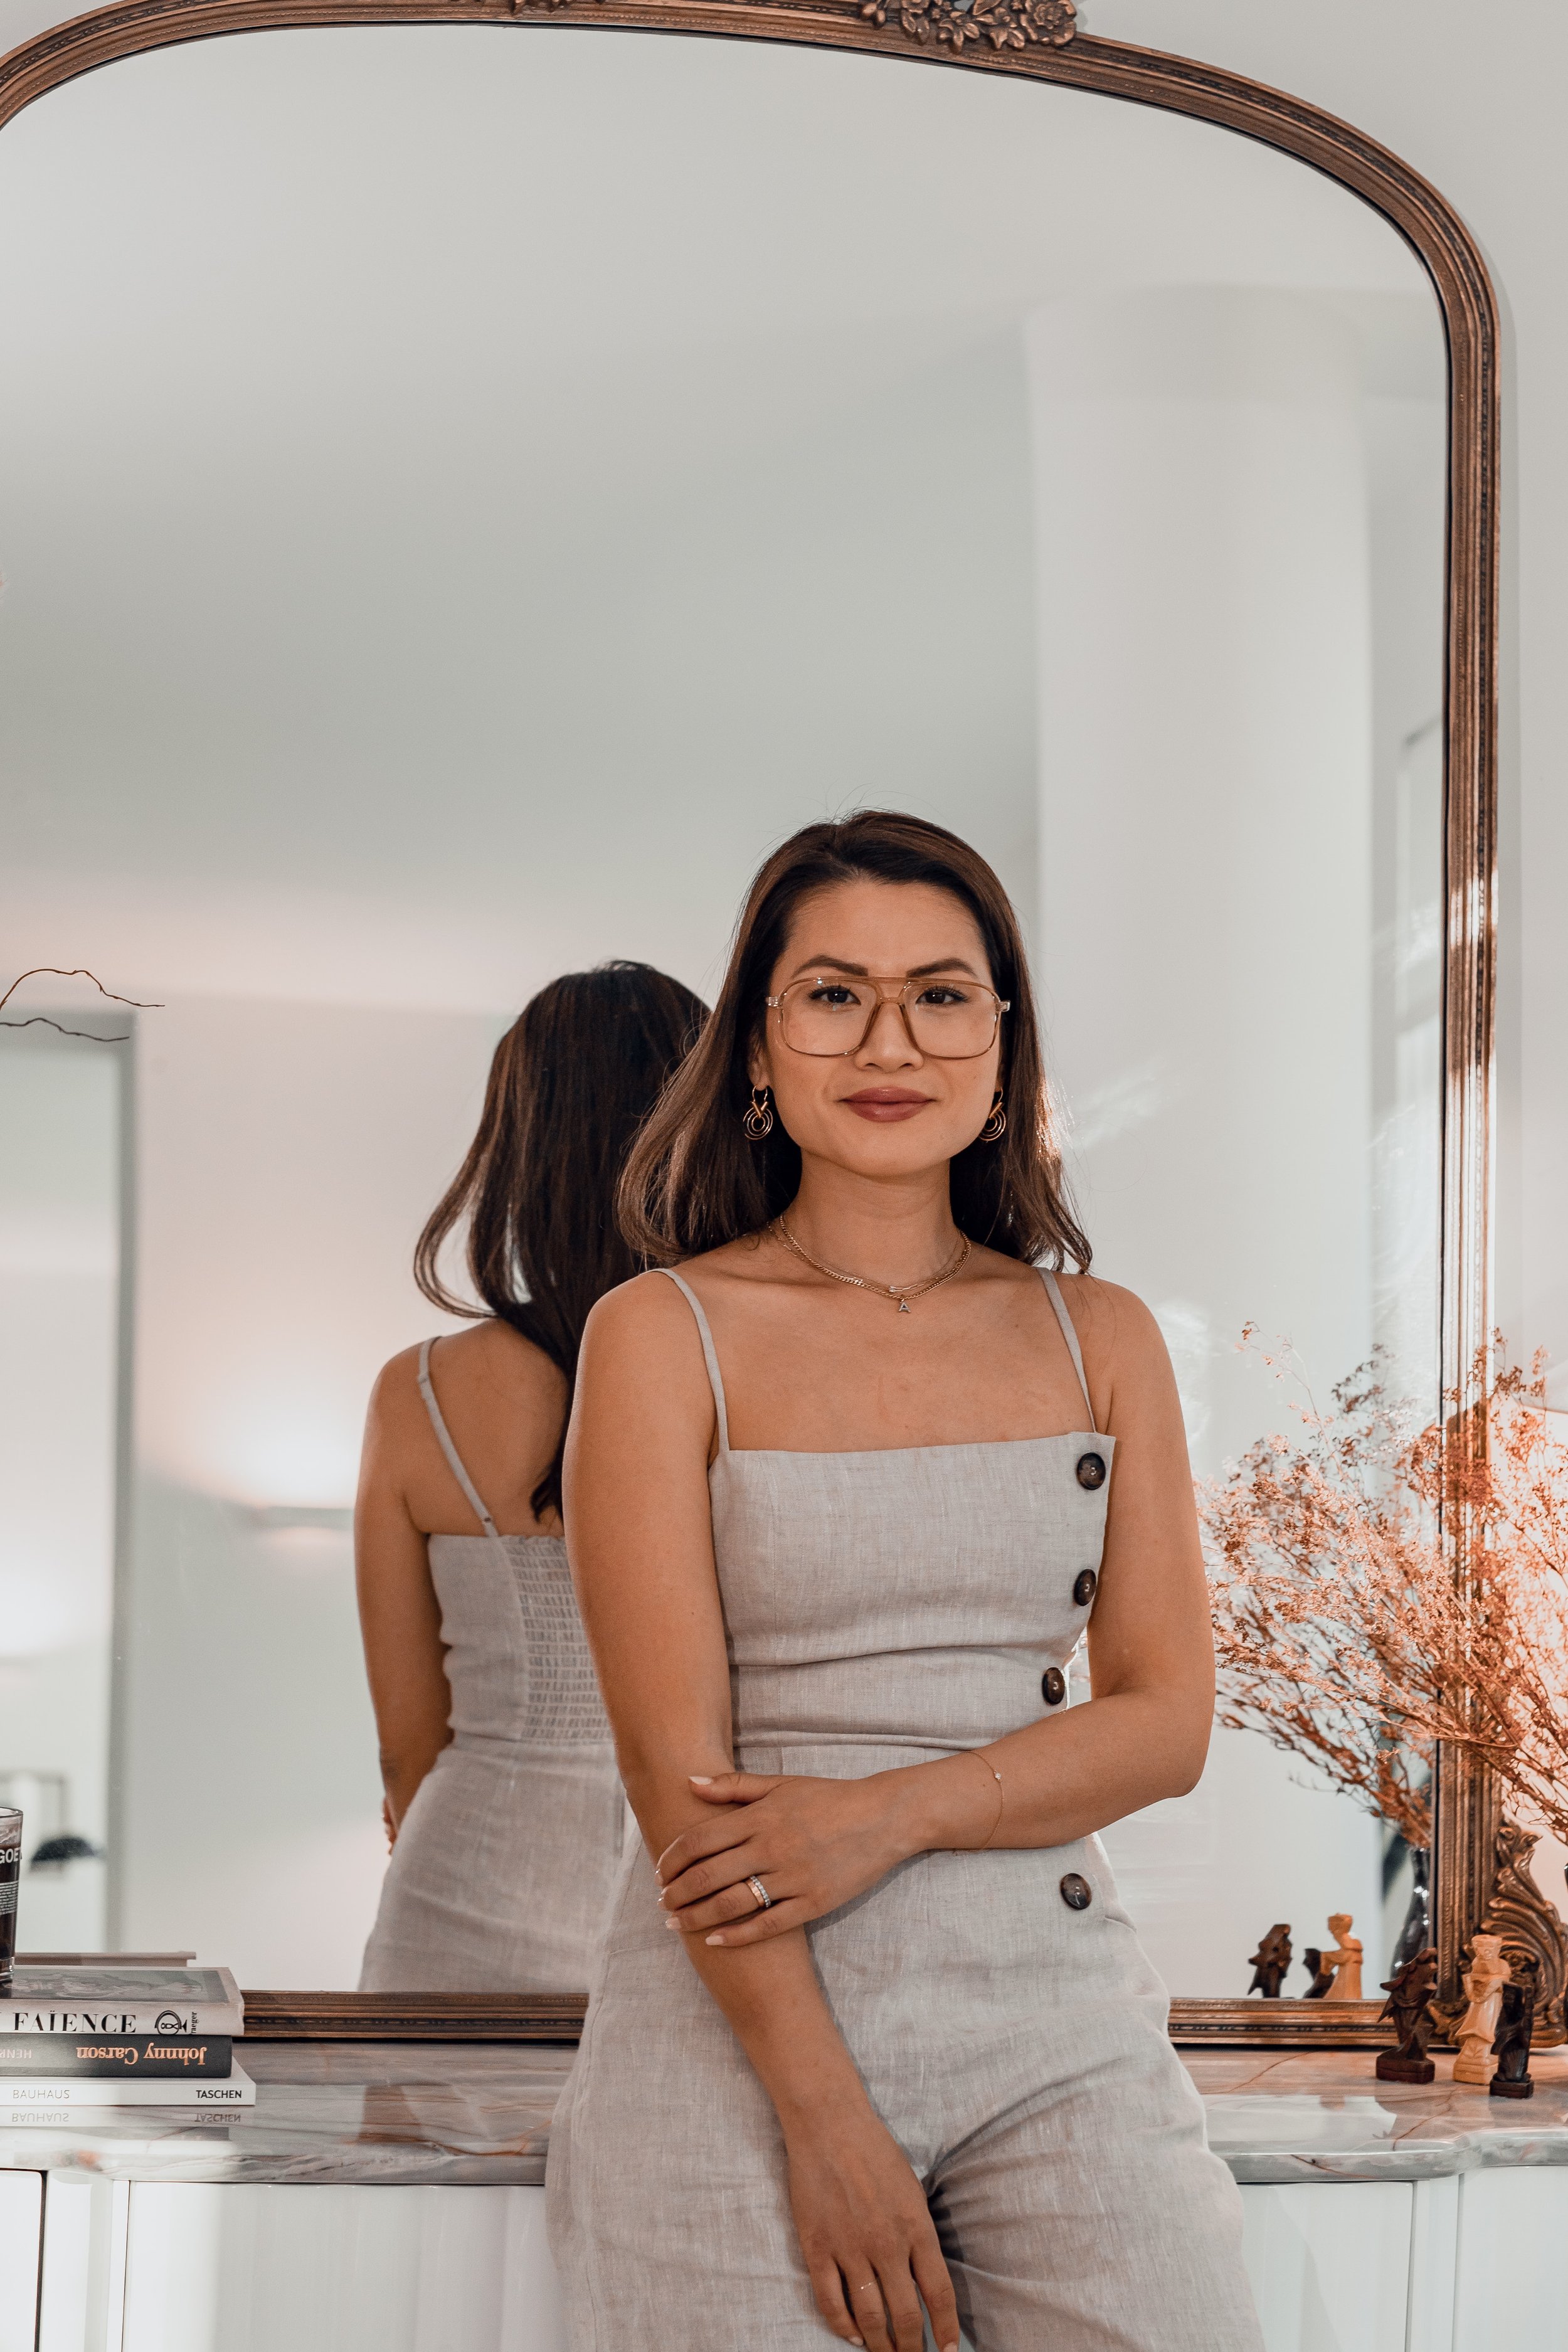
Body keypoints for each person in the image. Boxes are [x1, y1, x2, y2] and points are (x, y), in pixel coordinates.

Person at [548, 814, 1261, 2349]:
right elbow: (683, 1796)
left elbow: (1165, 1722)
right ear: (756, 1043)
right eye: (830, 994)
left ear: (1002, 1046)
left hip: (1052, 2012)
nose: (890, 1040)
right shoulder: (659, 1337)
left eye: (941, 995)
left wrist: (891, 1811)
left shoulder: (1102, 1336)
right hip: (734, 2028)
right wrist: (827, 2128)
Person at [355, 960, 707, 1992]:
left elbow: (407, 1745)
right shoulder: (750, 1367)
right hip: (698, 1906)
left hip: (458, 1902)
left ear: (515, 1139)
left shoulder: (418, 1391)